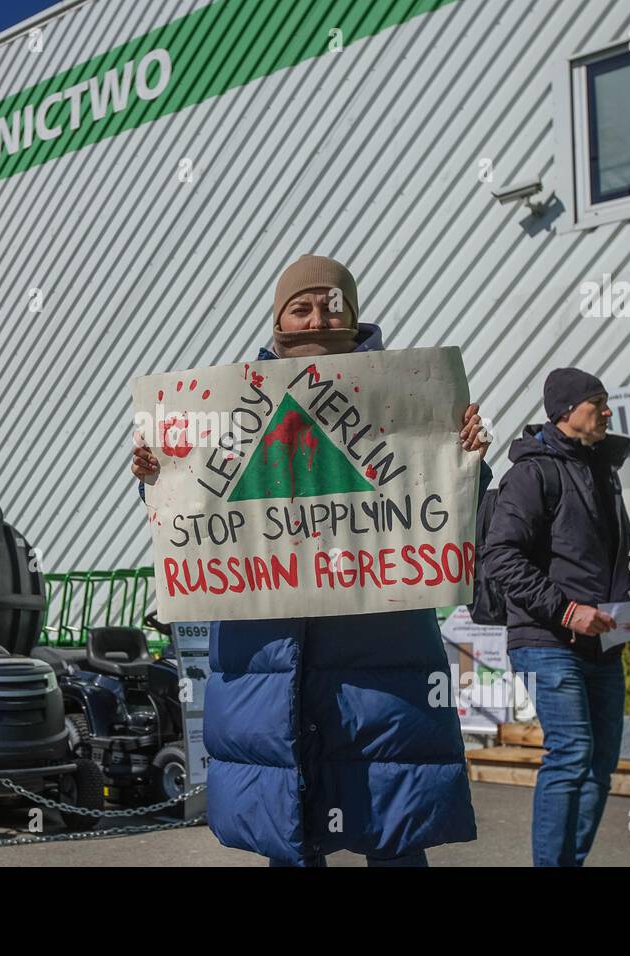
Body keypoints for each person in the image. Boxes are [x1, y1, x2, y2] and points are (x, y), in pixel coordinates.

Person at [131, 255, 492, 866]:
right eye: (300, 307)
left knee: (394, 826)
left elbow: (447, 508)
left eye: (331, 304)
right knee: (291, 832)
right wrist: (154, 474)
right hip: (271, 664)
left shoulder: (408, 398)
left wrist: (466, 460)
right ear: (277, 321)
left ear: (354, 315)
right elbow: (195, 511)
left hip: (382, 664)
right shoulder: (231, 410)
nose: (316, 317)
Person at [481, 368, 630, 867]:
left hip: (603, 643)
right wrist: (567, 611)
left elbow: (620, 549)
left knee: (599, 767)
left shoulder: (602, 471)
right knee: (571, 755)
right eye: (599, 403)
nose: (608, 412)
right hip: (546, 641)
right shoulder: (531, 473)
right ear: (567, 412)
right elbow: (499, 556)